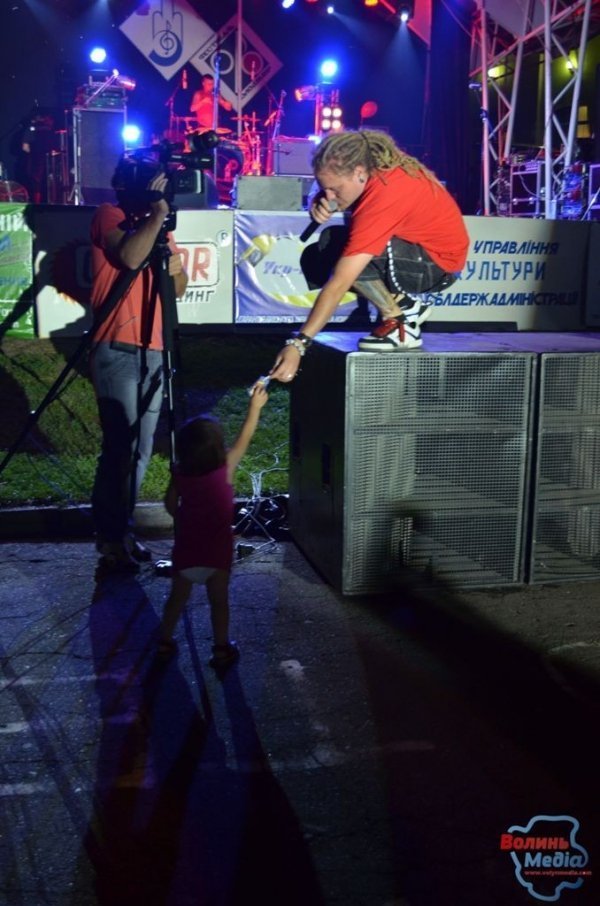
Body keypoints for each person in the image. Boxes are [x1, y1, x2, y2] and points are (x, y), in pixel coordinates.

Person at [269, 129, 470, 382]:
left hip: (438, 266)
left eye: (334, 189)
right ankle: (405, 305)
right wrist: (318, 199)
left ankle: (398, 320)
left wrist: (299, 344)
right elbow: (334, 192)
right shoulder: (373, 170)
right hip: (418, 253)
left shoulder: (386, 193)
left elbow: (340, 282)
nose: (329, 196)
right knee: (321, 250)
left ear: (359, 173)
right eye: (324, 188)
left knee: (345, 260)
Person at [89, 160, 188, 570]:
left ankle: (122, 531)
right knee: (120, 448)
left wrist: (170, 251)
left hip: (154, 348)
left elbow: (178, 288)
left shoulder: (158, 227)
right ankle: (109, 539)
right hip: (116, 347)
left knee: (142, 449)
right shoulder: (108, 216)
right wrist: (159, 215)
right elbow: (130, 257)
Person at [157, 383, 269, 668]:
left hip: (186, 553)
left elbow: (170, 505)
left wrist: (181, 518)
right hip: (217, 555)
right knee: (219, 602)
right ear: (218, 449)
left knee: (177, 599)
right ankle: (220, 648)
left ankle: (164, 640)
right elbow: (246, 436)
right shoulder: (226, 468)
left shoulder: (181, 475)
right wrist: (254, 407)